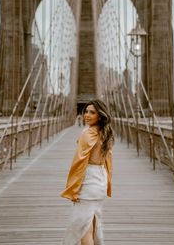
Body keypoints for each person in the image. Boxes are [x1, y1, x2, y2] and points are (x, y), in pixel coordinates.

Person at [61, 99, 114, 245]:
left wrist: (74, 188)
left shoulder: (87, 133)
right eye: (86, 111)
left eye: (92, 112)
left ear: (100, 116)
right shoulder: (105, 133)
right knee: (92, 223)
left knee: (83, 229)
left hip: (88, 182)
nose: (87, 115)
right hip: (100, 181)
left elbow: (79, 164)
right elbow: (107, 162)